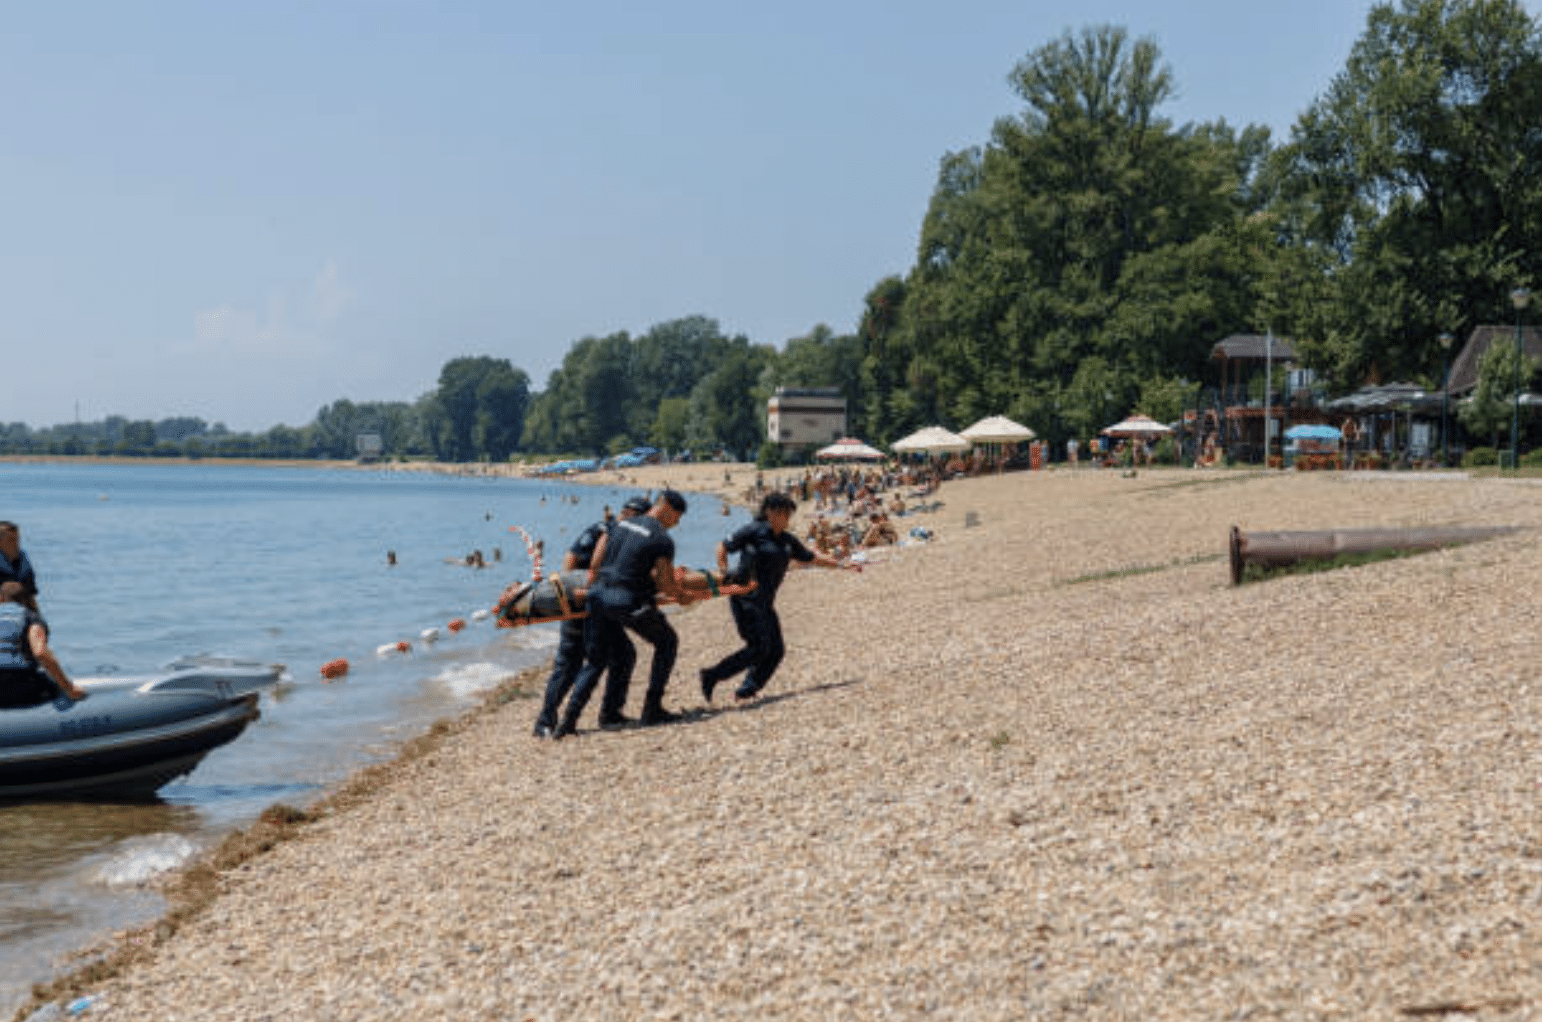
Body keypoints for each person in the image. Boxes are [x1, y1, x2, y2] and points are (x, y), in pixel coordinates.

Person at [554, 490, 701, 738]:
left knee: (596, 660)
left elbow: (597, 563)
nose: (676, 524)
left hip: (597, 596)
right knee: (667, 642)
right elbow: (665, 583)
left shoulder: (622, 524)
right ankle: (652, 708)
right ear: (666, 509)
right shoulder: (661, 539)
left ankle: (568, 722)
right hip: (626, 601)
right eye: (676, 518)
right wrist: (681, 596)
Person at [700, 492, 857, 704]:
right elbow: (722, 546)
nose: (785, 517)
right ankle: (712, 675)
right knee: (759, 647)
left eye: (788, 513)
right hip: (745, 598)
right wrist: (724, 570)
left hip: (765, 602)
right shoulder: (754, 531)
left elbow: (812, 558)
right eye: (781, 512)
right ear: (769, 512)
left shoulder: (787, 541)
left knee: (776, 650)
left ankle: (747, 689)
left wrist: (842, 565)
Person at [531, 495, 652, 738]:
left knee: (623, 655)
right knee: (570, 663)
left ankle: (610, 713)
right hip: (580, 603)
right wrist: (574, 593)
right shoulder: (602, 530)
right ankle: (545, 722)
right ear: (629, 514)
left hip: (602, 606)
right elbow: (571, 559)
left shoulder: (629, 538)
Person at [0, 581, 86, 704]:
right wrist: (69, 688)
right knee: (56, 687)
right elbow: (40, 652)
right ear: (26, 599)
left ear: (0, 599)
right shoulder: (30, 616)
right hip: (18, 687)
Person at [0, 522, 37, 598]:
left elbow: (31, 587)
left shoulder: (22, 556)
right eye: (10, 540)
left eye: (16, 539)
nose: (15, 543)